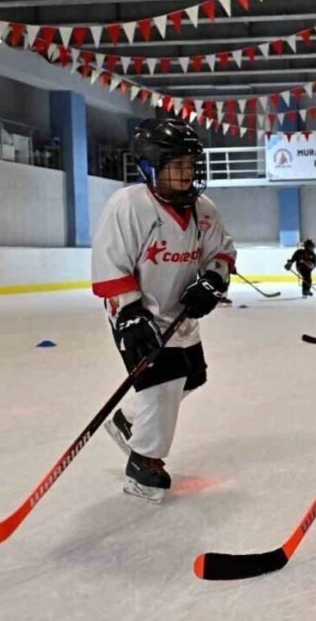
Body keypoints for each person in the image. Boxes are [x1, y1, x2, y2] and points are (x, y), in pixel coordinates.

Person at [91, 118, 236, 503]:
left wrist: (213, 280)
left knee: (192, 376)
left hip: (181, 313)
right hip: (140, 312)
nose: (186, 174)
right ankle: (144, 464)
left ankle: (130, 421)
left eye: (190, 165)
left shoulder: (204, 209)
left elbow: (221, 251)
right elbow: (110, 262)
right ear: (150, 168)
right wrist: (129, 312)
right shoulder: (128, 206)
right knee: (163, 383)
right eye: (177, 166)